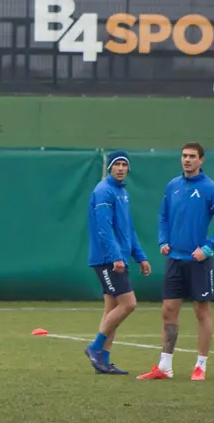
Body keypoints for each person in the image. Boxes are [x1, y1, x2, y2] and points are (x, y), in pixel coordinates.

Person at [137, 142, 214, 381]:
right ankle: (165, 366)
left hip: (199, 262)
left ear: (201, 160)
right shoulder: (173, 185)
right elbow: (163, 216)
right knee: (168, 310)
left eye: (192, 156)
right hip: (174, 260)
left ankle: (201, 365)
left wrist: (208, 248)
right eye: (184, 156)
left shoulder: (211, 188)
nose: (187, 160)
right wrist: (163, 240)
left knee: (202, 312)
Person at [84, 150, 151, 375]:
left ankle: (103, 361)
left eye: (124, 164)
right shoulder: (103, 191)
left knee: (112, 309)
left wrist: (140, 257)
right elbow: (104, 229)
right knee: (128, 304)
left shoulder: (122, 192)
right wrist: (115, 257)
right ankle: (95, 348)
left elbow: (128, 229)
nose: (121, 168)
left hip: (118, 258)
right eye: (117, 164)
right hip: (108, 260)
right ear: (110, 167)